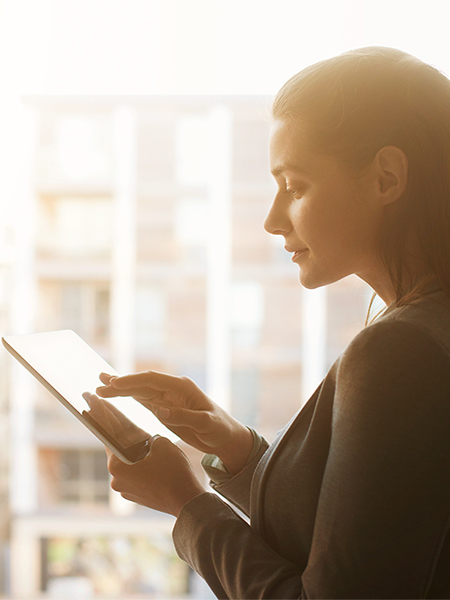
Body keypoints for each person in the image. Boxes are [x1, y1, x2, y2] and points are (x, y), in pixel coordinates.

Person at [95, 47, 450, 599]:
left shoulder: (400, 349)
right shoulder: (426, 329)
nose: (271, 219)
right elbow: (366, 542)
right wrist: (236, 449)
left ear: (386, 177)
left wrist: (187, 505)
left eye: (295, 186)